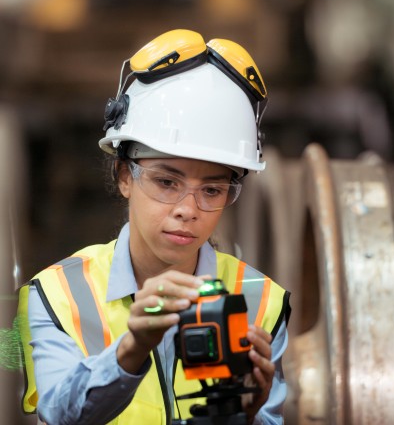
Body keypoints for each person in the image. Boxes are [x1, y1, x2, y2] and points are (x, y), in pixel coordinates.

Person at [18, 29, 291, 425]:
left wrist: (241, 414)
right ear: (123, 176)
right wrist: (131, 349)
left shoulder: (261, 301)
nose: (187, 209)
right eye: (166, 182)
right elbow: (59, 414)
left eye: (212, 190)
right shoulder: (58, 295)